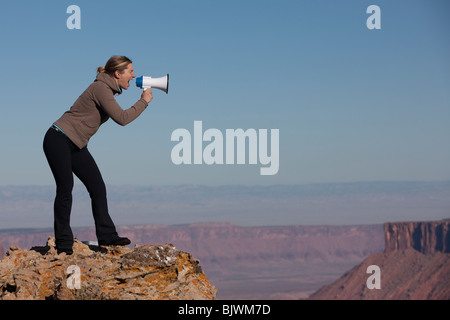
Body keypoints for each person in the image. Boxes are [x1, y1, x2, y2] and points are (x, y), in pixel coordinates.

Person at [43, 56, 153, 255]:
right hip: (58, 138)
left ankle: (107, 236)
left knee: (97, 187)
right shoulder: (101, 88)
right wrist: (143, 102)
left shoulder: (106, 89)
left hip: (76, 143)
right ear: (117, 74)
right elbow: (122, 118)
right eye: (130, 71)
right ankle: (64, 244)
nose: (134, 75)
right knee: (66, 188)